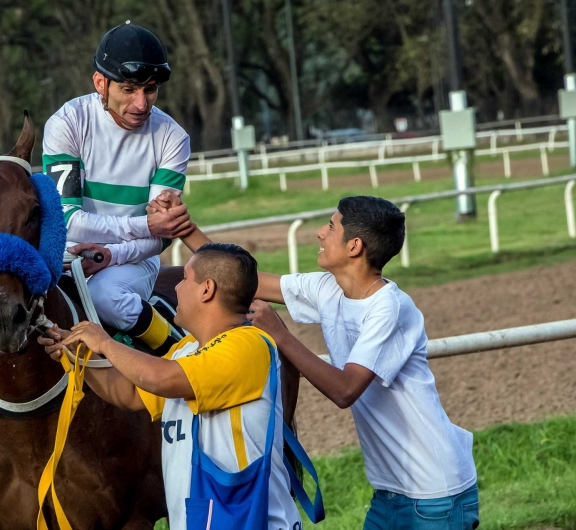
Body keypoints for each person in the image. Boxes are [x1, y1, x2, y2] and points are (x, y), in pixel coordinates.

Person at [152, 193, 479, 530]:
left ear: (354, 247)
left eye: (331, 226)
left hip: (435, 492)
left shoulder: (390, 308)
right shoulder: (329, 288)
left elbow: (345, 390)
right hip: (392, 491)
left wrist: (282, 337)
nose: (320, 234)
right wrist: (185, 228)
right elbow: (247, 280)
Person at [38, 243, 302, 530]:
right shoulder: (186, 347)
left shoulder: (248, 344)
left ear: (207, 289)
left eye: (185, 278)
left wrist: (105, 343)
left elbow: (161, 377)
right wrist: (77, 353)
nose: (176, 287)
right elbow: (127, 393)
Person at [42, 21, 192, 354]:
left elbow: (161, 235)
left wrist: (113, 254)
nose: (142, 103)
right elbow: (66, 219)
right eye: (128, 89)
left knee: (107, 298)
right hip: (64, 255)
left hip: (133, 260)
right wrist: (145, 225)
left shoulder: (173, 137)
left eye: (150, 89)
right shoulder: (67, 123)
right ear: (101, 83)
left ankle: (178, 356)